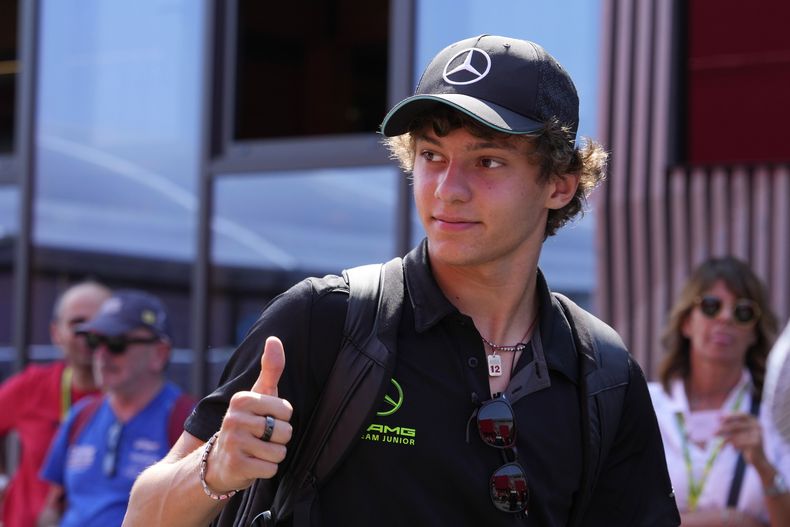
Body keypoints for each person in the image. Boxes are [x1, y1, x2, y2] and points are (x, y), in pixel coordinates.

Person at [125, 34, 680, 526]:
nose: (447, 188)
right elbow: (143, 516)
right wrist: (214, 469)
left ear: (560, 184)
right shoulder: (326, 319)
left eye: (486, 161)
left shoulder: (602, 372)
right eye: (432, 156)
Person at [648, 257, 790, 526]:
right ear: (686, 322)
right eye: (711, 306)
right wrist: (729, 520)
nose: (725, 318)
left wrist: (763, 466)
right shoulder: (645, 404)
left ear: (754, 333)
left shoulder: (777, 415)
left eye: (743, 312)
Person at [38, 289, 193, 527]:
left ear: (159, 354)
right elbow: (53, 505)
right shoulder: (81, 415)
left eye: (116, 343)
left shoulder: (187, 422)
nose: (101, 355)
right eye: (95, 342)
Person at [0, 280, 110, 527]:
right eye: (77, 323)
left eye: (100, 323)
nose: (89, 333)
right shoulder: (32, 386)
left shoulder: (133, 398)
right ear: (56, 333)